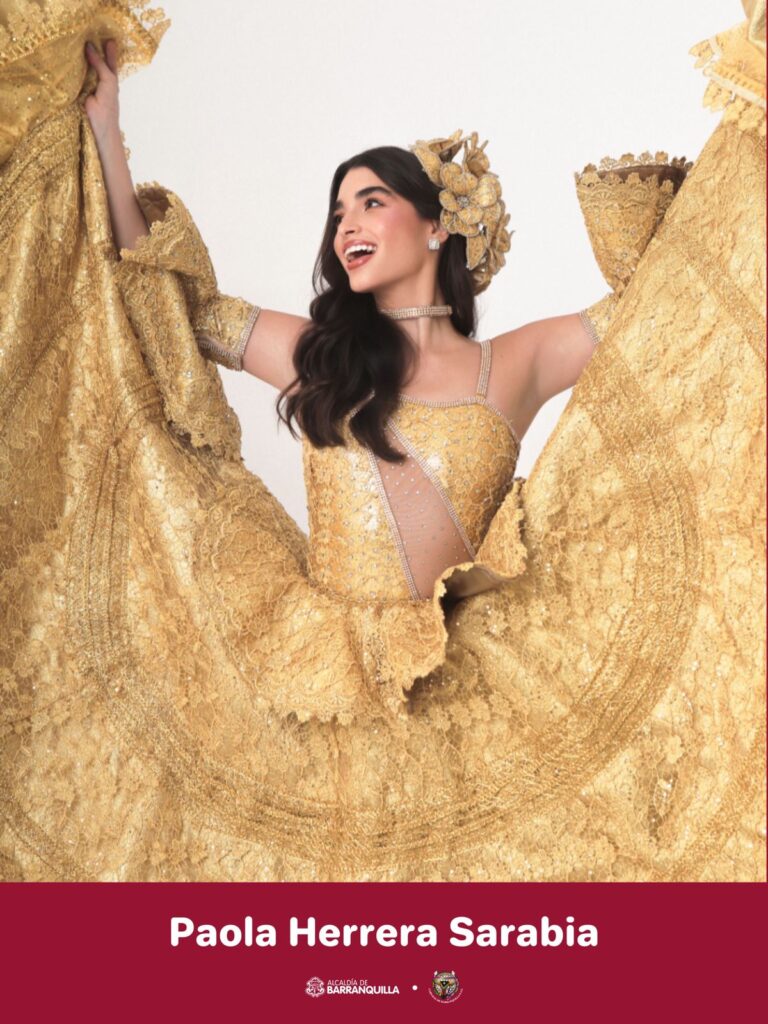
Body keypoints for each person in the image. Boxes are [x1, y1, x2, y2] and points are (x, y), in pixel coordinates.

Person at [0, 0, 763, 882]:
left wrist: (737, 155)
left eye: (372, 201)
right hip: (313, 688)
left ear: (437, 225)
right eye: (338, 213)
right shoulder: (319, 359)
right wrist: (106, 133)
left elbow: (669, 312)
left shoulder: (513, 364)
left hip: (464, 691)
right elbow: (177, 305)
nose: (347, 226)